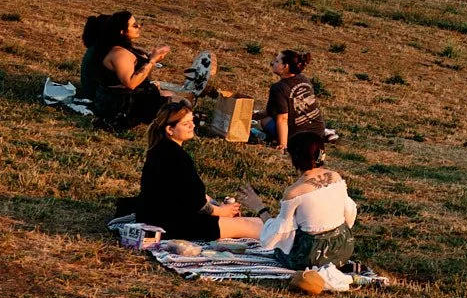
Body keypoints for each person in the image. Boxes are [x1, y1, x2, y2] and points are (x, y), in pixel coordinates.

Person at [136, 103, 263, 242]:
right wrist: (221, 211)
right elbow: (195, 201)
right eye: (186, 124)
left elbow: (188, 192)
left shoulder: (161, 150)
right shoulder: (175, 156)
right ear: (170, 129)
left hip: (159, 217)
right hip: (173, 224)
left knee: (256, 222)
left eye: (192, 121)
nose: (192, 126)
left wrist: (218, 207)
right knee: (248, 226)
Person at [257, 134, 358, 267]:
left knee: (279, 250)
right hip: (344, 247)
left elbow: (280, 233)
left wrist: (260, 208)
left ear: (294, 157)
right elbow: (348, 212)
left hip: (312, 255)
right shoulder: (335, 176)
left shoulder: (294, 192)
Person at [84, 10, 174, 131]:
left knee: (171, 95)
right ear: (122, 32)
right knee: (179, 104)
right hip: (122, 104)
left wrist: (151, 58)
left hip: (124, 98)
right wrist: (152, 61)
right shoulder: (119, 54)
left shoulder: (118, 48)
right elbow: (130, 83)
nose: (139, 27)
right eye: (134, 25)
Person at [261, 49, 327, 152]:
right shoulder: (303, 78)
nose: (273, 63)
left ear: (285, 66)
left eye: (277, 61)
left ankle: (285, 140)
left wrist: (283, 144)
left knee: (265, 121)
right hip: (318, 131)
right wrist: (259, 114)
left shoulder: (279, 88)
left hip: (298, 136)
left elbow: (282, 118)